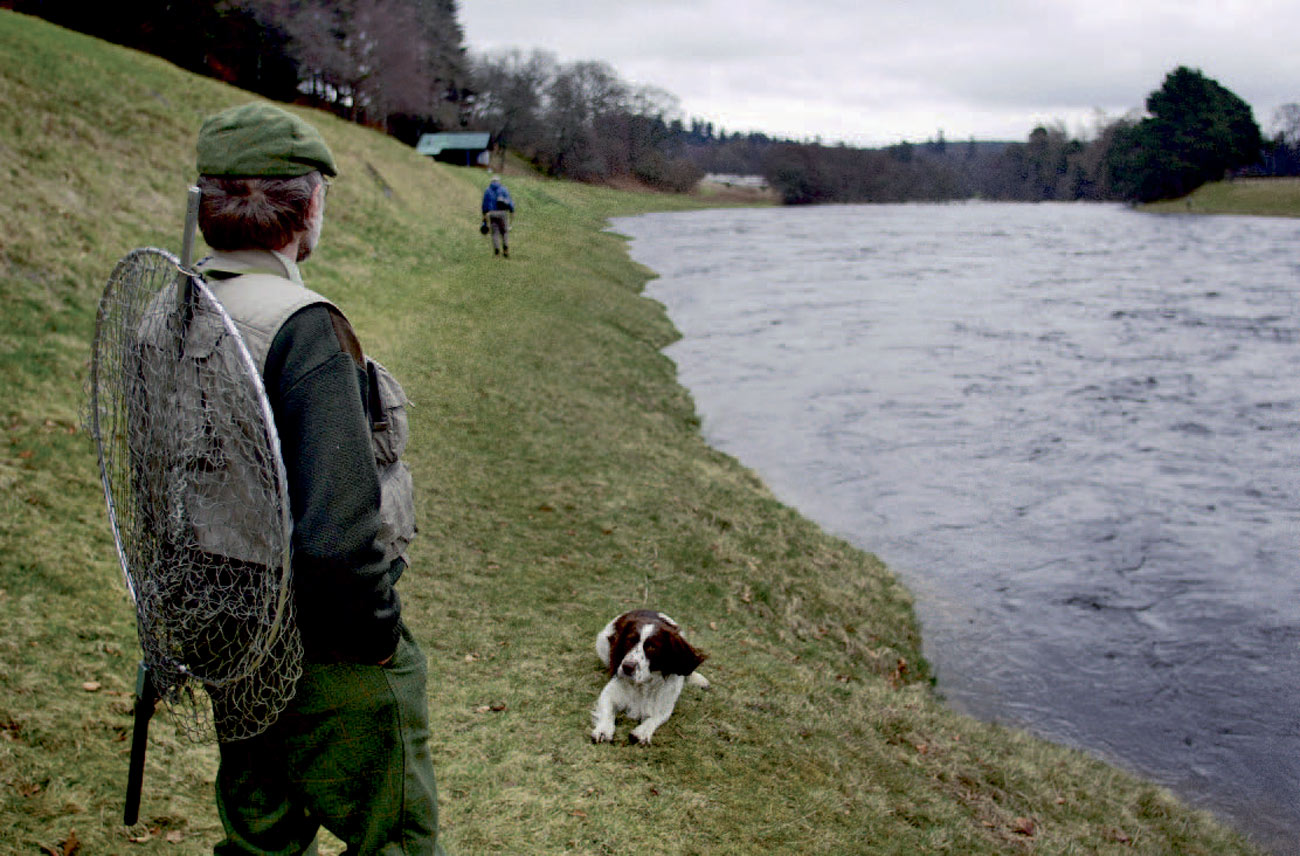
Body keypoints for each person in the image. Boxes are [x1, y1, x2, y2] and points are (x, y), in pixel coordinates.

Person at [191, 102, 449, 856]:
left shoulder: (168, 310)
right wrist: (376, 642)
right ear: (307, 210)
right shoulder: (303, 327)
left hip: (223, 633)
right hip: (324, 648)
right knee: (394, 837)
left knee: (261, 838)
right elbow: (337, 538)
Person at [480, 175, 514, 257]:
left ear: (491, 181)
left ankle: (497, 251)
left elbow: (485, 204)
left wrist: (484, 214)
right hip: (502, 213)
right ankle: (505, 248)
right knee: (504, 232)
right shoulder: (503, 189)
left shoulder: (488, 190)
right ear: (499, 181)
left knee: (495, 233)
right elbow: (509, 201)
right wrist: (511, 210)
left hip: (492, 214)